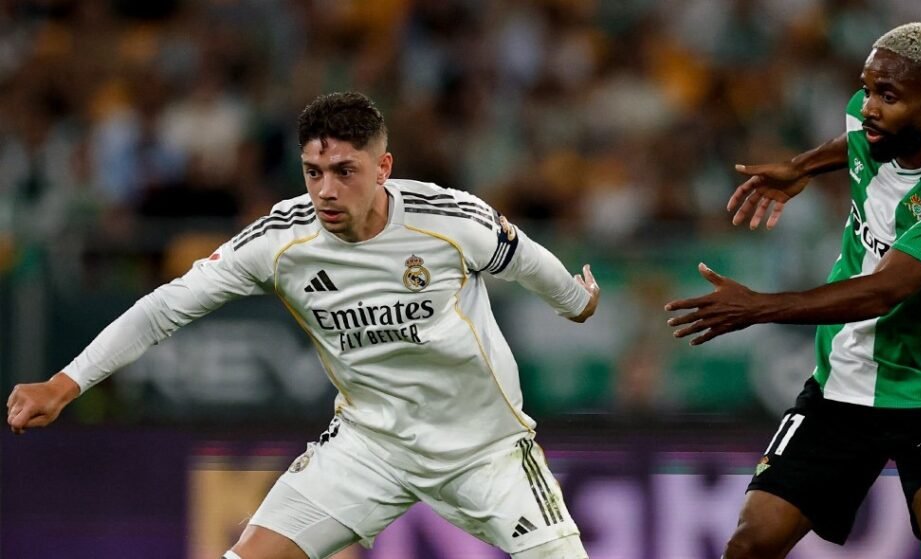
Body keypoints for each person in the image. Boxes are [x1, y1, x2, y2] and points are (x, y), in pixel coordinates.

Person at [7, 91, 599, 559]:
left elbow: (527, 260)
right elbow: (165, 307)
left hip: (485, 449)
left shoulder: (450, 221)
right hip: (372, 446)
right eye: (313, 172)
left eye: (345, 171)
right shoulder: (281, 240)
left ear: (383, 166)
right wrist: (65, 384)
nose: (325, 191)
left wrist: (577, 302)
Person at [665, 23, 921, 559]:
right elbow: (856, 138)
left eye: (887, 96)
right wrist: (802, 167)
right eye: (867, 88)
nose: (869, 105)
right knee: (752, 541)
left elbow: (883, 292)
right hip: (844, 380)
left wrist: (757, 308)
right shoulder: (871, 117)